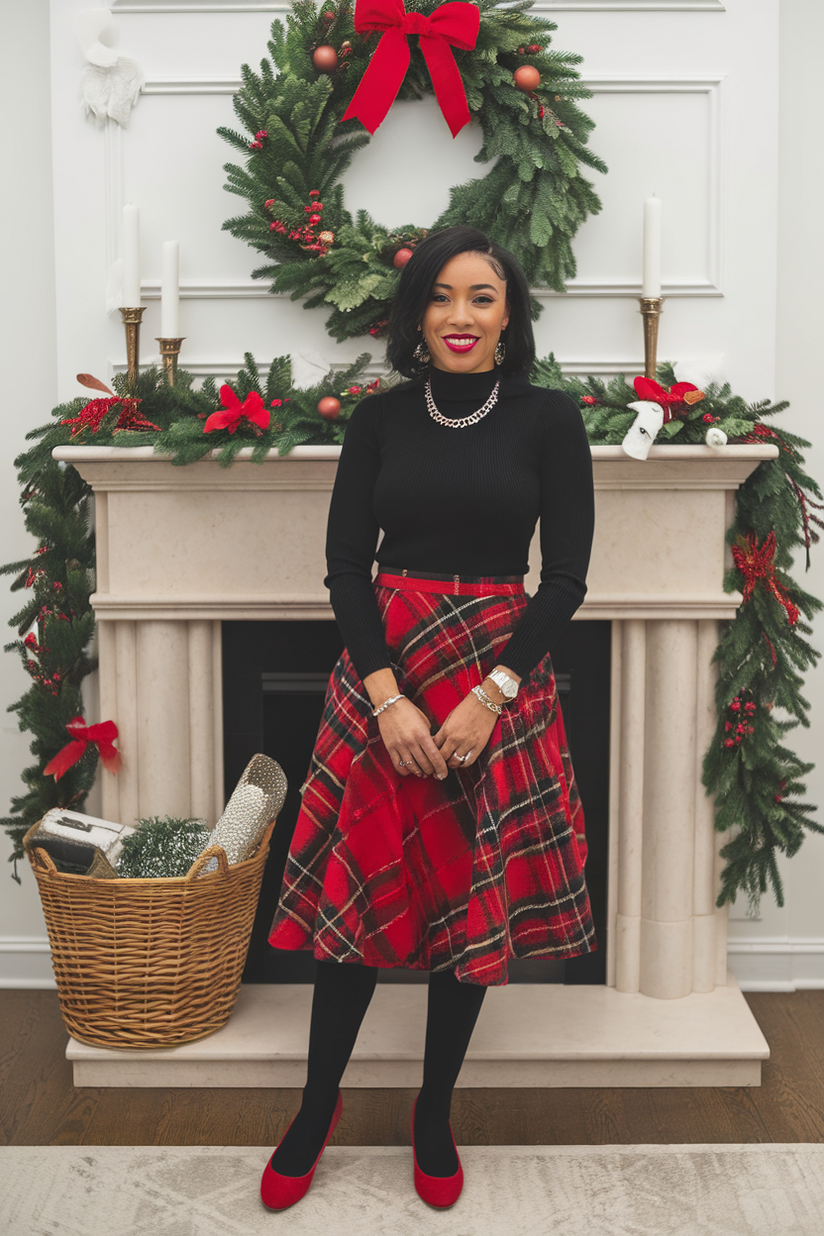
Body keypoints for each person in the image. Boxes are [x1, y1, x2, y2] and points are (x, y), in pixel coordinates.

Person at [262, 224, 596, 1211]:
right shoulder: (378, 419)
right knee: (359, 901)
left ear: (509, 314)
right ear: (416, 312)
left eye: (480, 297)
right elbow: (342, 566)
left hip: (495, 680)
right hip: (385, 674)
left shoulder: (548, 420)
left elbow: (566, 577)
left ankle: (432, 1110)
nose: (459, 316)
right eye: (441, 297)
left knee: (466, 899)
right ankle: (315, 1106)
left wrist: (490, 697)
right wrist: (386, 695)